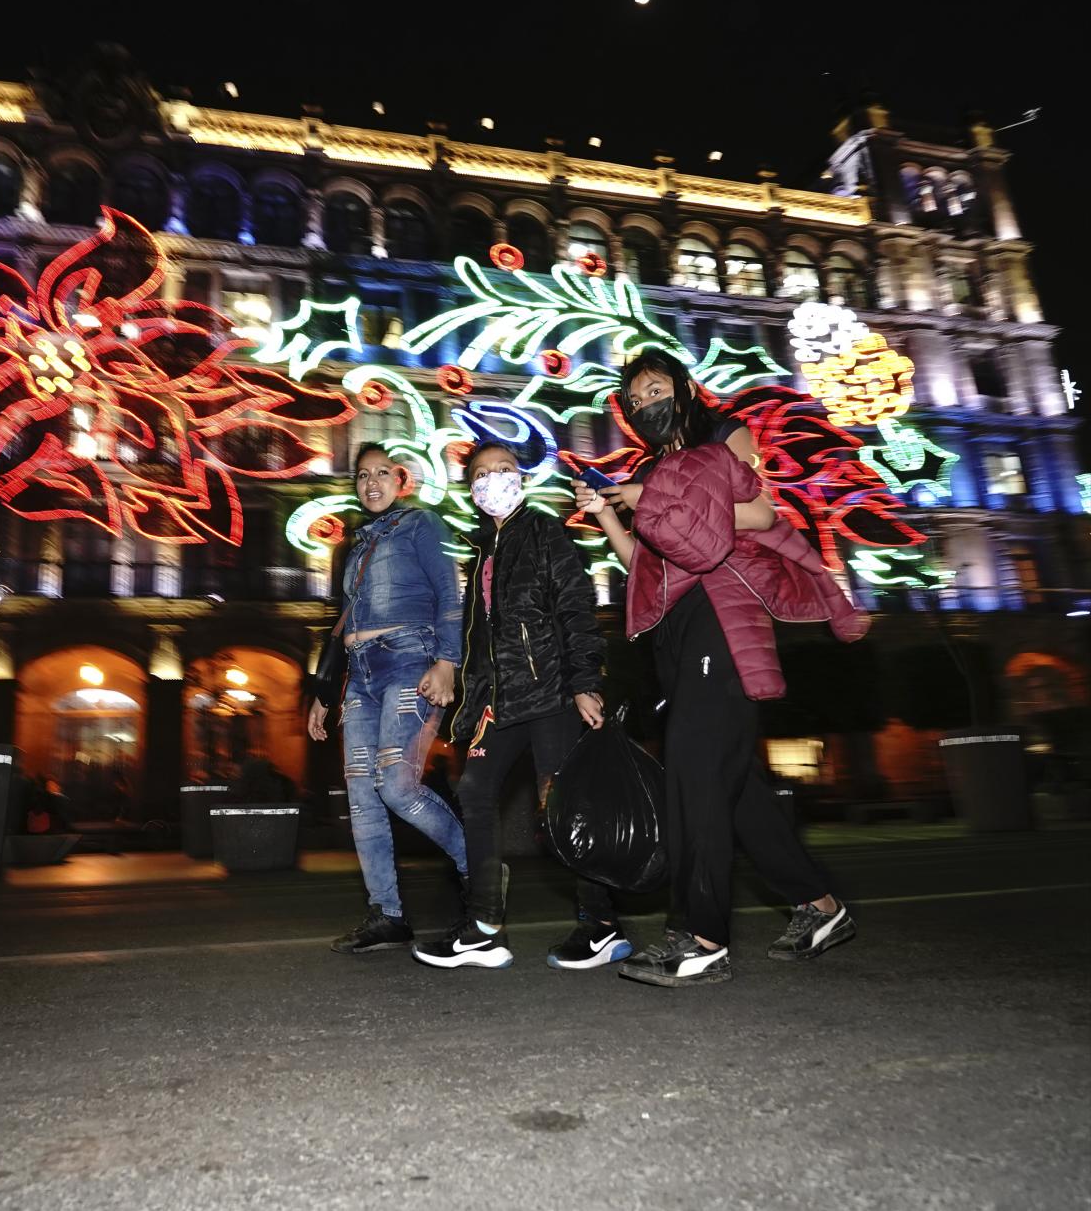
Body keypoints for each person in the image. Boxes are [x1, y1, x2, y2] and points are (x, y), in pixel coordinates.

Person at [575, 347, 864, 987]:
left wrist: (649, 497)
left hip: (724, 608)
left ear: (681, 387)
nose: (647, 402)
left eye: (656, 388)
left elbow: (759, 514)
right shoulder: (649, 467)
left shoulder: (722, 434)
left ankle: (701, 937)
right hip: (673, 625)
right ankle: (821, 906)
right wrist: (609, 516)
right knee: (731, 785)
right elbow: (641, 561)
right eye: (636, 397)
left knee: (695, 766)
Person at [414, 442, 618, 972]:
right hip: (497, 704)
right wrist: (463, 687)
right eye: (482, 474)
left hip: (550, 694)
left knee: (562, 808)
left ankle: (600, 925)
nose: (494, 479)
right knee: (474, 792)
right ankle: (483, 930)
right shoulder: (481, 548)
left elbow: (575, 607)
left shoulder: (545, 531)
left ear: (521, 478)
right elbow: (479, 635)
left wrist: (584, 681)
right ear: (472, 490)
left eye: (504, 469)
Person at [310, 443, 469, 954]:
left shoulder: (422, 525)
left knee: (397, 785)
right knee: (362, 796)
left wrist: (448, 661)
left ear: (402, 481)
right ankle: (388, 914)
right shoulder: (356, 546)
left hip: (408, 660)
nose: (371, 482)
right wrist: (322, 691)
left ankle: (480, 872)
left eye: (382, 473)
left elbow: (450, 592)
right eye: (362, 475)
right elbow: (342, 621)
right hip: (360, 676)